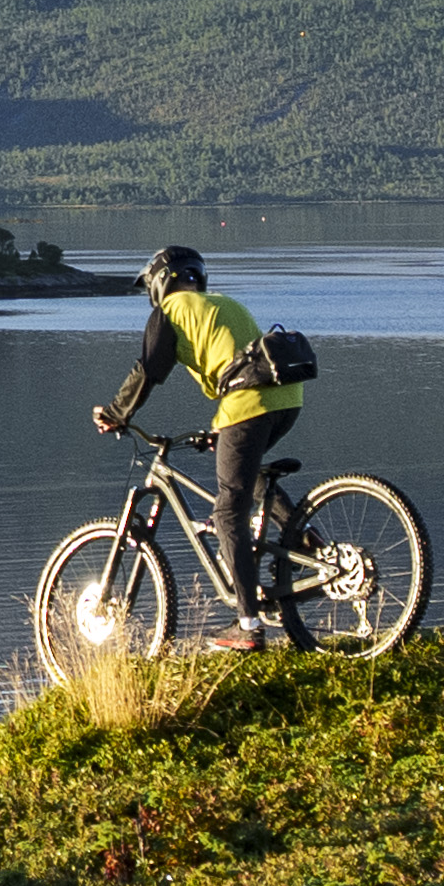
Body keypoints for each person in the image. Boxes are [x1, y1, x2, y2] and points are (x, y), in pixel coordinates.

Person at [87, 243, 327, 641]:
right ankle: (307, 539)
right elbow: (239, 361)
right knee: (249, 479)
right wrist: (220, 429)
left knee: (228, 511)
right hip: (287, 400)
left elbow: (147, 371)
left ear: (160, 283)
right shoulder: (224, 303)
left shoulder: (170, 312)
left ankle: (247, 627)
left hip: (248, 406)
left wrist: (116, 413)